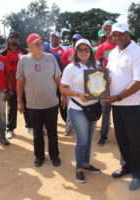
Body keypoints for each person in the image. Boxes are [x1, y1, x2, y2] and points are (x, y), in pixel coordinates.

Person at [105, 23, 140, 190]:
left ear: (128, 34)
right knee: (121, 137)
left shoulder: (138, 52)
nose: (118, 38)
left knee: (134, 139)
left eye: (121, 34)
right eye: (115, 35)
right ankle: (127, 166)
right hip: (116, 104)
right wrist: (104, 81)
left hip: (132, 104)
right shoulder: (114, 52)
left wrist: (119, 96)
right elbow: (108, 73)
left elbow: (138, 82)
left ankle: (138, 173)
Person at [17, 33, 62, 167]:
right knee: (37, 133)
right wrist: (20, 101)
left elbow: (58, 79)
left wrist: (64, 95)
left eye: (41, 42)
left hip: (51, 103)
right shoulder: (23, 60)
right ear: (29, 47)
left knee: (52, 132)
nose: (40, 45)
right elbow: (20, 82)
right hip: (33, 104)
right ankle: (39, 156)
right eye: (37, 43)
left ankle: (54, 155)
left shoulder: (51, 58)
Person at [60, 38, 102, 183]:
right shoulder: (70, 68)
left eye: (86, 49)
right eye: (80, 49)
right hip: (78, 108)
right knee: (82, 140)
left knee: (89, 139)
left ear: (91, 51)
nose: (83, 52)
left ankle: (86, 163)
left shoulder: (96, 65)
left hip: (94, 107)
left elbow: (100, 84)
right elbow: (62, 88)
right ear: (76, 51)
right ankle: (79, 168)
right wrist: (78, 94)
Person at [0, 31, 30, 138]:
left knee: (27, 106)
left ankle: (30, 126)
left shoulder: (24, 52)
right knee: (11, 109)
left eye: (16, 37)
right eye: (12, 37)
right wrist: (6, 89)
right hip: (11, 86)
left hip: (24, 85)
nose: (14, 39)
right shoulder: (3, 53)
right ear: (9, 39)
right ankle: (11, 129)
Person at [95, 19, 116, 146]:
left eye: (110, 28)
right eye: (106, 28)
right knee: (106, 111)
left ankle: (121, 134)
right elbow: (97, 65)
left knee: (120, 112)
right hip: (106, 84)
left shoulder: (121, 45)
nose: (108, 30)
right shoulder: (101, 48)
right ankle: (104, 135)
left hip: (119, 84)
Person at [60, 34, 83, 136]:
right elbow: (64, 67)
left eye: (77, 40)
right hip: (70, 84)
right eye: (73, 40)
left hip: (82, 83)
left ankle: (82, 127)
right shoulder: (67, 52)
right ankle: (69, 127)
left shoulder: (84, 51)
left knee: (82, 105)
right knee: (70, 107)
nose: (75, 42)